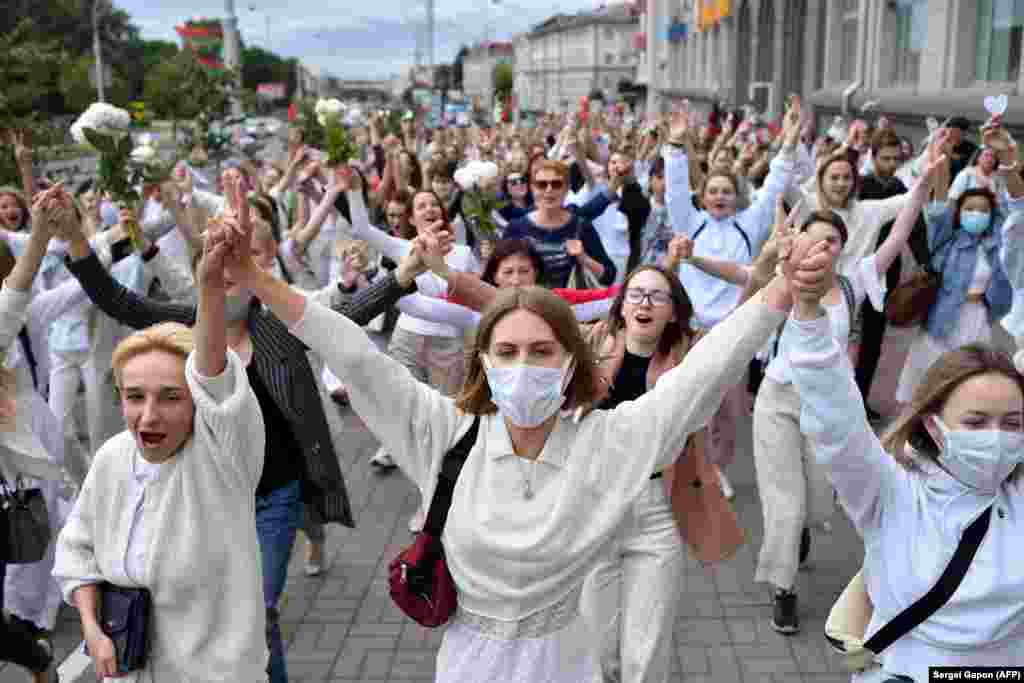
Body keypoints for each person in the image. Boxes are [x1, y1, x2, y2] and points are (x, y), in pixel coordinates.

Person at [217, 211, 833, 682]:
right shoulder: (444, 433)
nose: (523, 367)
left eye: (542, 352)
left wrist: (779, 292)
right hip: (468, 665)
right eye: (507, 352)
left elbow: (706, 376)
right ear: (483, 361)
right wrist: (254, 279)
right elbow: (350, 350)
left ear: (572, 363)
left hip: (565, 663)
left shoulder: (610, 440)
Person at [57, 176, 415, 683]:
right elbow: (120, 302)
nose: (224, 275)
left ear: (255, 273)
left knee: (261, 609)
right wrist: (76, 238)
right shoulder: (186, 327)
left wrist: (406, 274)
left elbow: (349, 314)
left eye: (235, 266)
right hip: (207, 496)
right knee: (213, 607)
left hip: (273, 490)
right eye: (213, 265)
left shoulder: (279, 327)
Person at [782, 250, 1024, 681]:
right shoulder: (889, 491)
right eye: (975, 421)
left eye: (1012, 423)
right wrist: (808, 313)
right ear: (933, 426)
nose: (996, 436)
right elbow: (836, 417)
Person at [54, 223, 269, 681]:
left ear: (198, 403)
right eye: (135, 397)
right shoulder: (113, 456)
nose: (148, 417)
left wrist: (210, 288)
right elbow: (79, 548)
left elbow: (215, 376)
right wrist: (92, 628)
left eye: (171, 397)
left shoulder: (223, 462)